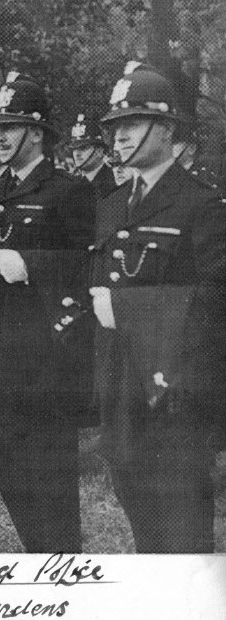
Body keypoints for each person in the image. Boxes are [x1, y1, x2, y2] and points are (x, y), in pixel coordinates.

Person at [90, 63, 226, 552]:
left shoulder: (204, 205)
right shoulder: (110, 204)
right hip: (121, 388)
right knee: (141, 524)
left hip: (177, 400)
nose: (118, 137)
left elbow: (215, 301)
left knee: (183, 535)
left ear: (167, 129)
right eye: (113, 127)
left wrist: (126, 310)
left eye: (131, 124)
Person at [0, 73, 95, 553]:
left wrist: (34, 266)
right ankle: (37, 557)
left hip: (44, 359)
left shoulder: (68, 191)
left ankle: (60, 569)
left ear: (37, 133)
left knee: (50, 475)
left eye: (11, 125)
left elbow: (90, 268)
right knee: (8, 467)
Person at [69, 114, 117, 199]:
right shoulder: (71, 183)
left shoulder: (113, 182)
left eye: (83, 148)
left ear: (100, 151)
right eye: (74, 148)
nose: (77, 153)